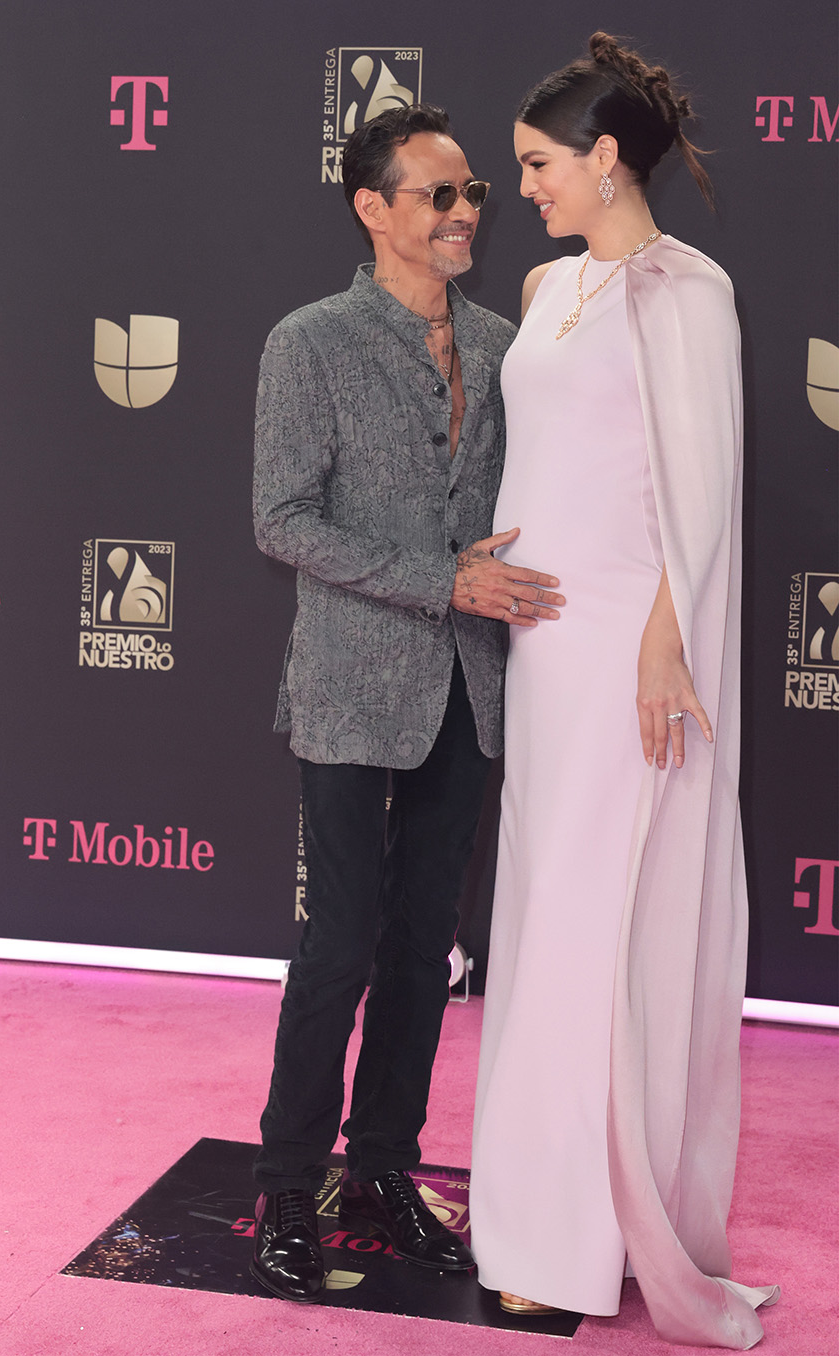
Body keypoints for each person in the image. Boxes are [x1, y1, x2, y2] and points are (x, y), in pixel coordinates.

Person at [469, 34, 779, 1348]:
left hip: (622, 654)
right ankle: (555, 1218)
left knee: (598, 928)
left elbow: (698, 496)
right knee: (545, 918)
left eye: (539, 166)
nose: (521, 190)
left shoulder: (683, 289)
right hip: (542, 650)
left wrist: (667, 642)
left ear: (604, 157)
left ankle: (573, 1239)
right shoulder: (547, 288)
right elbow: (554, 450)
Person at [250, 103, 565, 1305]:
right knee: (336, 947)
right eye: (438, 194)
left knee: (424, 953)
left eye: (474, 190)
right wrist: (444, 579)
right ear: (371, 209)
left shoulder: (501, 341)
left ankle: (383, 1171)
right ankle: (287, 1187)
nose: (467, 210)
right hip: (348, 686)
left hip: (469, 694)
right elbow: (281, 520)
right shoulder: (309, 342)